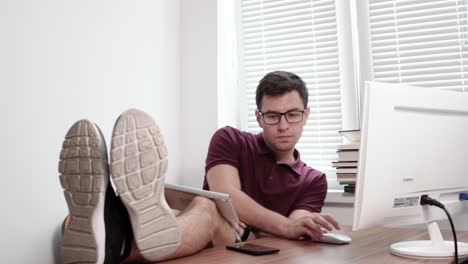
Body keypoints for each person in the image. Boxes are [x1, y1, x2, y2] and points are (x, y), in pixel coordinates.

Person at [58, 70, 340, 264]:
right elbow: (227, 194)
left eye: (292, 114)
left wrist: (287, 227)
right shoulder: (230, 139)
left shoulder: (314, 180)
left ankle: (107, 229)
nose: (283, 125)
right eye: (272, 116)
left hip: (252, 245)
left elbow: (295, 226)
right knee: (207, 205)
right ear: (258, 116)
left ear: (306, 115)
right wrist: (285, 226)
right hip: (208, 234)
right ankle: (112, 232)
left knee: (207, 207)